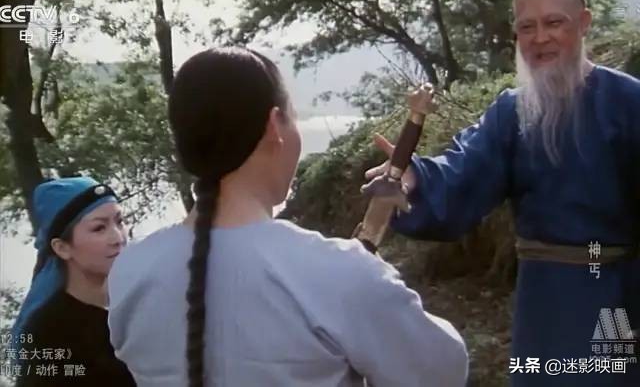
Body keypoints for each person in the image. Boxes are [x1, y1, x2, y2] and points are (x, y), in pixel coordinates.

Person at [106, 47, 468, 387]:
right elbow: (443, 371)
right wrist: (376, 285)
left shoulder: (129, 271)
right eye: (293, 117)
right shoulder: (338, 273)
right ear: (274, 126)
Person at [364, 0, 640, 386]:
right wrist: (414, 178)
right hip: (541, 303)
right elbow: (463, 171)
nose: (540, 38)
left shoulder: (629, 102)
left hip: (614, 294)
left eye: (554, 23)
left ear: (584, 23)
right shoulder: (511, 112)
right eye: (527, 27)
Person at [11, 176, 136, 387]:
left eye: (120, 221)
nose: (118, 238)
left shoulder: (139, 301)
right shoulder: (49, 334)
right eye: (99, 228)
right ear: (62, 248)